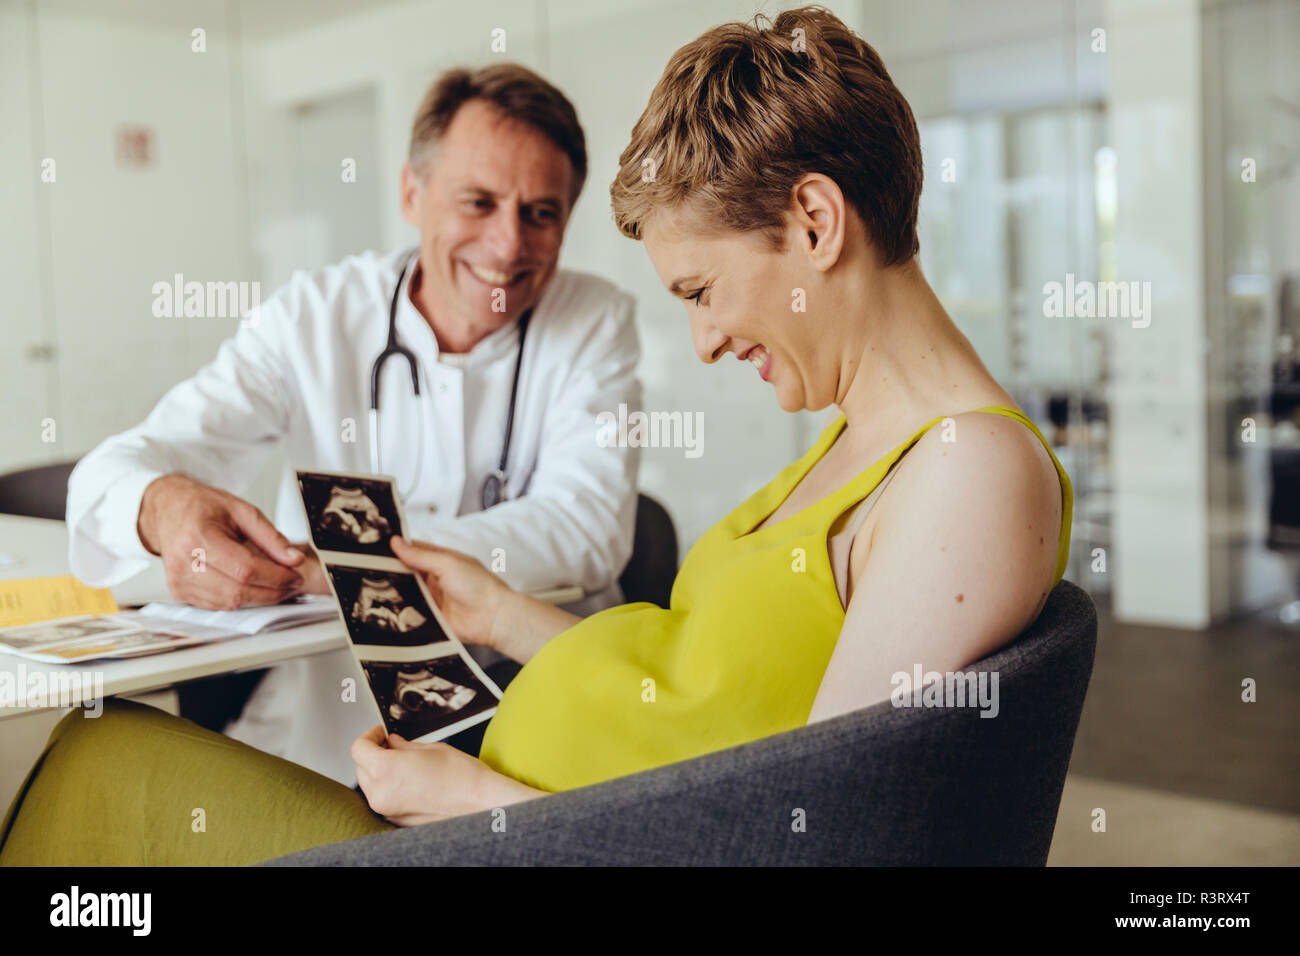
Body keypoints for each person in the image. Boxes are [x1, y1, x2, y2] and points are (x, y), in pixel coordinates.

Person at [1, 6, 1072, 865]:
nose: (698, 342)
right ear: (413, 194)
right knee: (110, 757)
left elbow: (823, 835)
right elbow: (705, 697)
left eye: (700, 289)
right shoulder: (859, 445)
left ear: (814, 221)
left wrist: (482, 802)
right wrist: (505, 608)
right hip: (495, 803)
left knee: (104, 767)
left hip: (518, 831)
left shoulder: (965, 470)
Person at [61, 64, 642, 785]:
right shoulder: (313, 316)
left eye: (541, 212)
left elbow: (589, 530)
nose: (507, 245)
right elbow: (116, 469)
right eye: (478, 202)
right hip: (333, 714)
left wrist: (344, 566)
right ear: (411, 193)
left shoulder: (595, 319)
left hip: (531, 704)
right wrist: (163, 508)